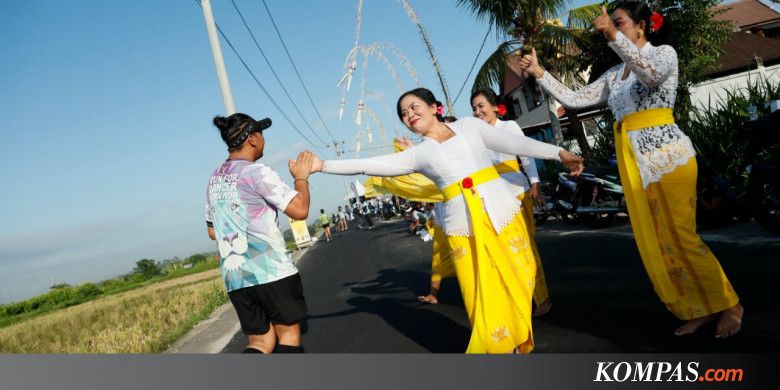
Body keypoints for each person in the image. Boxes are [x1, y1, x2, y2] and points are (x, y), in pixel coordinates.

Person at [518, 1, 742, 338]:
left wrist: (611, 37)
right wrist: (539, 72)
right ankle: (694, 307)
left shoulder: (663, 53)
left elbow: (650, 75)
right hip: (634, 161)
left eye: (619, 22)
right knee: (656, 241)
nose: (612, 27)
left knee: (681, 236)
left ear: (642, 26)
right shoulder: (614, 74)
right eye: (612, 24)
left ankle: (730, 304)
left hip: (667, 157)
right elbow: (575, 98)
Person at [306, 88, 583, 353]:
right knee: (479, 292)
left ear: (433, 107)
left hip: (501, 212)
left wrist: (558, 153)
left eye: (414, 107)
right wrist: (322, 166)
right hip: (463, 226)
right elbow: (368, 164)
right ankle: (500, 346)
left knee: (521, 274)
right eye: (404, 114)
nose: (409, 115)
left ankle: (516, 333)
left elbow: (516, 143)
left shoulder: (468, 126)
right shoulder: (418, 153)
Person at [205, 113, 312, 353]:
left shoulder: (214, 179)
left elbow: (213, 231)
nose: (264, 139)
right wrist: (301, 178)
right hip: (271, 271)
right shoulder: (257, 172)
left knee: (260, 342)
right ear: (253, 138)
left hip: (236, 277)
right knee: (289, 334)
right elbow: (300, 209)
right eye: (261, 134)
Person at [471, 88, 552, 317]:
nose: (478, 112)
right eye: (474, 108)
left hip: (517, 193)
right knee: (507, 252)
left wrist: (535, 184)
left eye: (481, 106)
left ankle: (542, 297)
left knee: (526, 247)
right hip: (494, 199)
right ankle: (521, 298)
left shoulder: (509, 127)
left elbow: (526, 154)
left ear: (495, 106)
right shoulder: (476, 138)